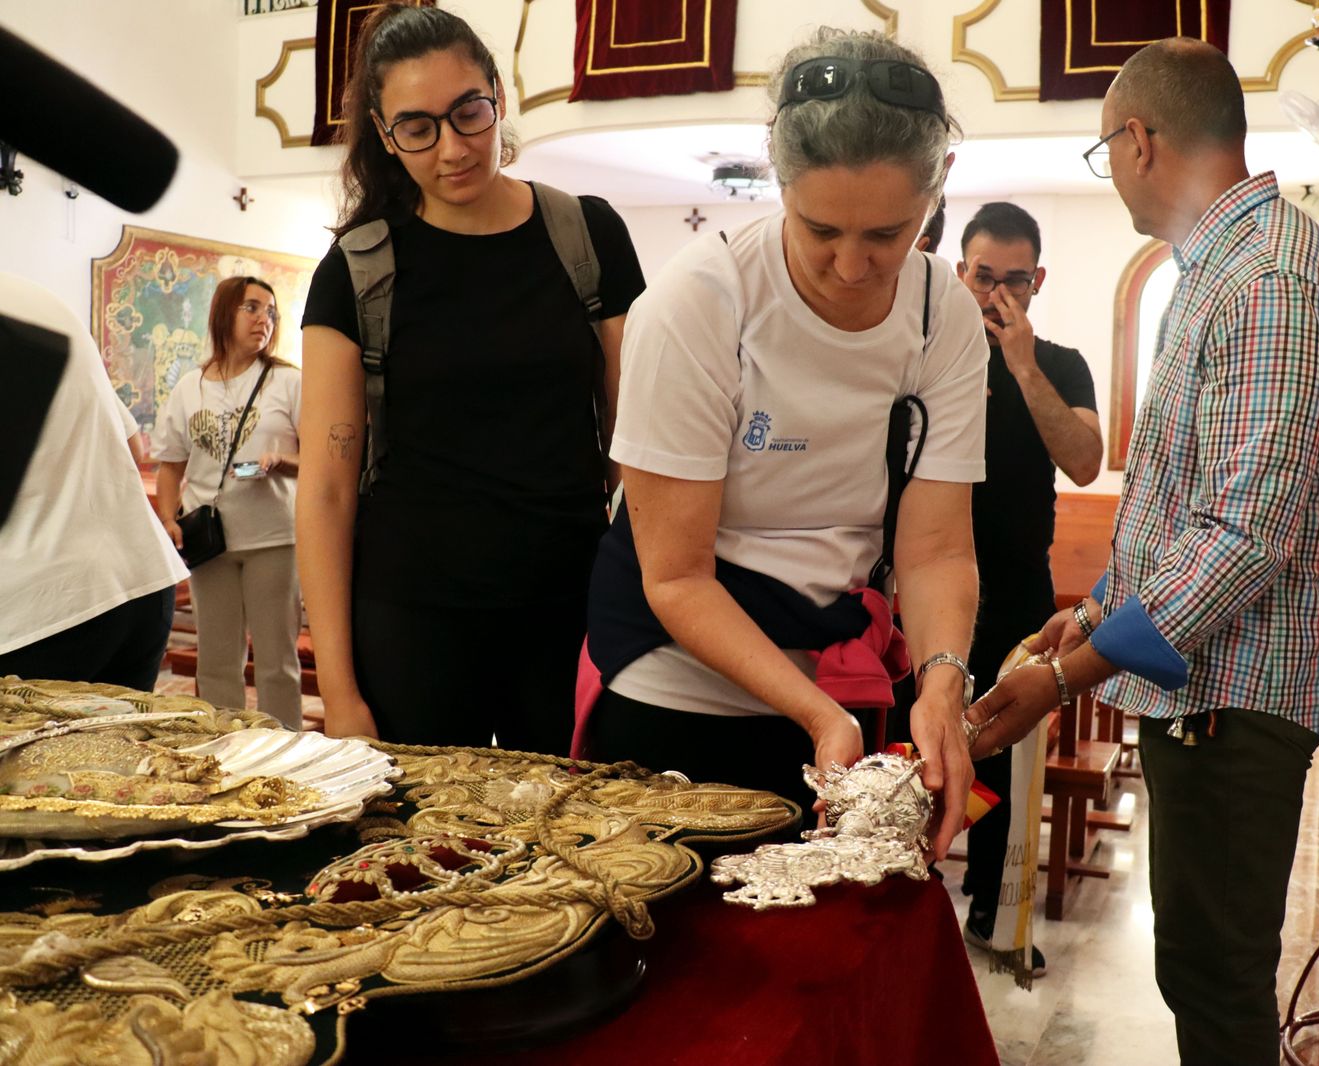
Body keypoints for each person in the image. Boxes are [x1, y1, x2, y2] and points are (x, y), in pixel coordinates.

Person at [966, 39, 1319, 1065]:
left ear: (1138, 140)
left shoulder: (1271, 283)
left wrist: (1066, 677)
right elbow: (1175, 495)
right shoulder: (1222, 269)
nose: (1109, 173)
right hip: (1202, 688)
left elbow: (1243, 538)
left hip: (1232, 700)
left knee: (1216, 976)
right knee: (1195, 964)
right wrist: (1095, 607)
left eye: (1107, 149)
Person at [583, 28, 983, 859]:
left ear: (938, 186)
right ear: (778, 175)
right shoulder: (701, 305)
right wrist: (815, 713)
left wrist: (942, 681)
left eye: (886, 233)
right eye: (820, 228)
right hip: (675, 680)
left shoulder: (943, 313)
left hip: (832, 669)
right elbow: (676, 575)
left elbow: (938, 548)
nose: (851, 264)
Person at [298, 3, 644, 750]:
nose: (453, 147)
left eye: (468, 112)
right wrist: (338, 690)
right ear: (386, 137)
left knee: (575, 849)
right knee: (418, 853)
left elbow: (640, 433)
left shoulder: (588, 236)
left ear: (498, 94)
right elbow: (326, 490)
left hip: (567, 608)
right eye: (418, 128)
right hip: (411, 618)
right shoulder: (356, 272)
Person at [954, 201, 1102, 976]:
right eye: (985, 278)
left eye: (1015, 281)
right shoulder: (927, 350)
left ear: (1037, 281)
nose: (998, 297)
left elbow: (1083, 461)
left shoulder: (1063, 363)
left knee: (1000, 752)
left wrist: (1020, 366)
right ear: (960, 272)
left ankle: (991, 905)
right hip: (925, 586)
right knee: (915, 740)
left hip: (1016, 588)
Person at [0, 272, 187, 691]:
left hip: (37, 612)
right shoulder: (41, 297)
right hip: (138, 586)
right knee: (114, 755)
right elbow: (133, 446)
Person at [153, 276, 304, 728]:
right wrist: (167, 518)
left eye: (272, 312)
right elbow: (170, 465)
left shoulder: (287, 382)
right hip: (209, 543)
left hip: (274, 539)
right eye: (253, 308)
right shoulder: (189, 387)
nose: (265, 320)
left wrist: (284, 460)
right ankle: (225, 750)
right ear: (224, 314)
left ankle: (284, 753)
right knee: (217, 662)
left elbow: (323, 456)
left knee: (278, 662)